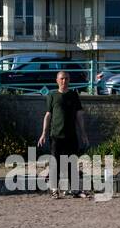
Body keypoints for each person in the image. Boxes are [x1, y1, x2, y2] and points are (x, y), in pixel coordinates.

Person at [37, 70, 89, 198]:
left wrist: (83, 134)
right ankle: (54, 189)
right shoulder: (52, 96)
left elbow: (79, 115)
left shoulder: (73, 95)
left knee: (72, 163)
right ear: (57, 80)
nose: (64, 81)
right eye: (61, 79)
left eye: (66, 79)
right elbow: (48, 115)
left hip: (71, 135)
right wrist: (43, 133)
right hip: (56, 136)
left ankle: (75, 190)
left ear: (69, 80)